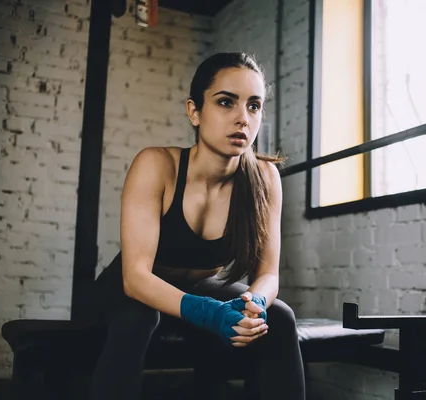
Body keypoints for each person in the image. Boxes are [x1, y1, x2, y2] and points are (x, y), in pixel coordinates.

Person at [89, 52, 306, 400]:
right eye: (225, 102)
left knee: (278, 316)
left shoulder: (266, 177)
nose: (242, 119)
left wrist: (255, 302)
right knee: (139, 318)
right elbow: (136, 277)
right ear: (194, 111)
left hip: (206, 291)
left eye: (254, 106)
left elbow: (269, 275)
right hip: (132, 293)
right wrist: (208, 313)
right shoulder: (157, 165)